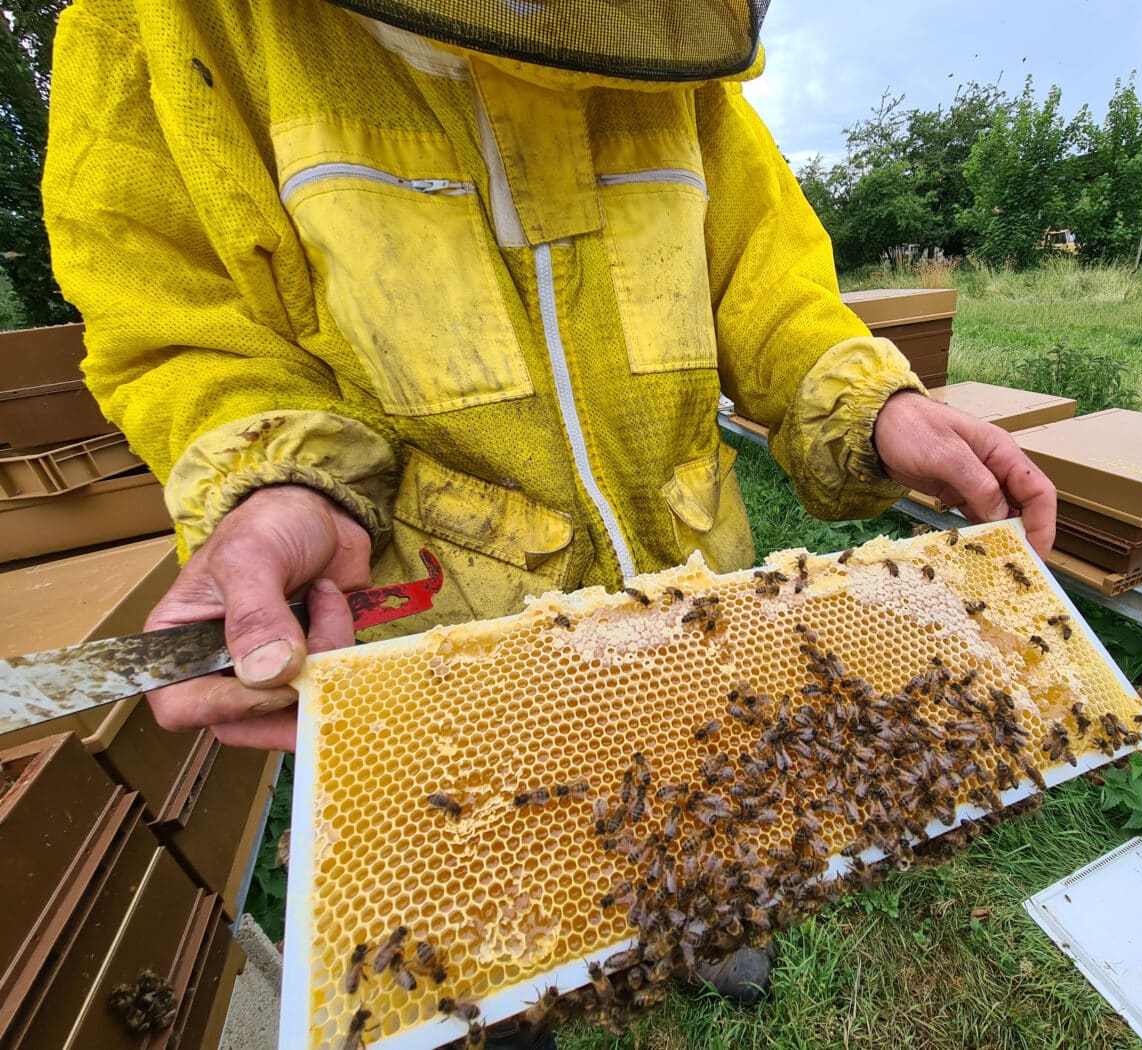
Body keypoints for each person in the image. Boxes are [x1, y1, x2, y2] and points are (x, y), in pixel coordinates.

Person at [43, 0, 1056, 1030]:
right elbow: (184, 329)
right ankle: (527, 969)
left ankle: (707, 917)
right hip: (444, 620)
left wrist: (871, 404)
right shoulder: (173, 33)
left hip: (686, 585)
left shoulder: (672, 48)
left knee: (711, 793)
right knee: (497, 888)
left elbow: (765, 279)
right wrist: (278, 485)